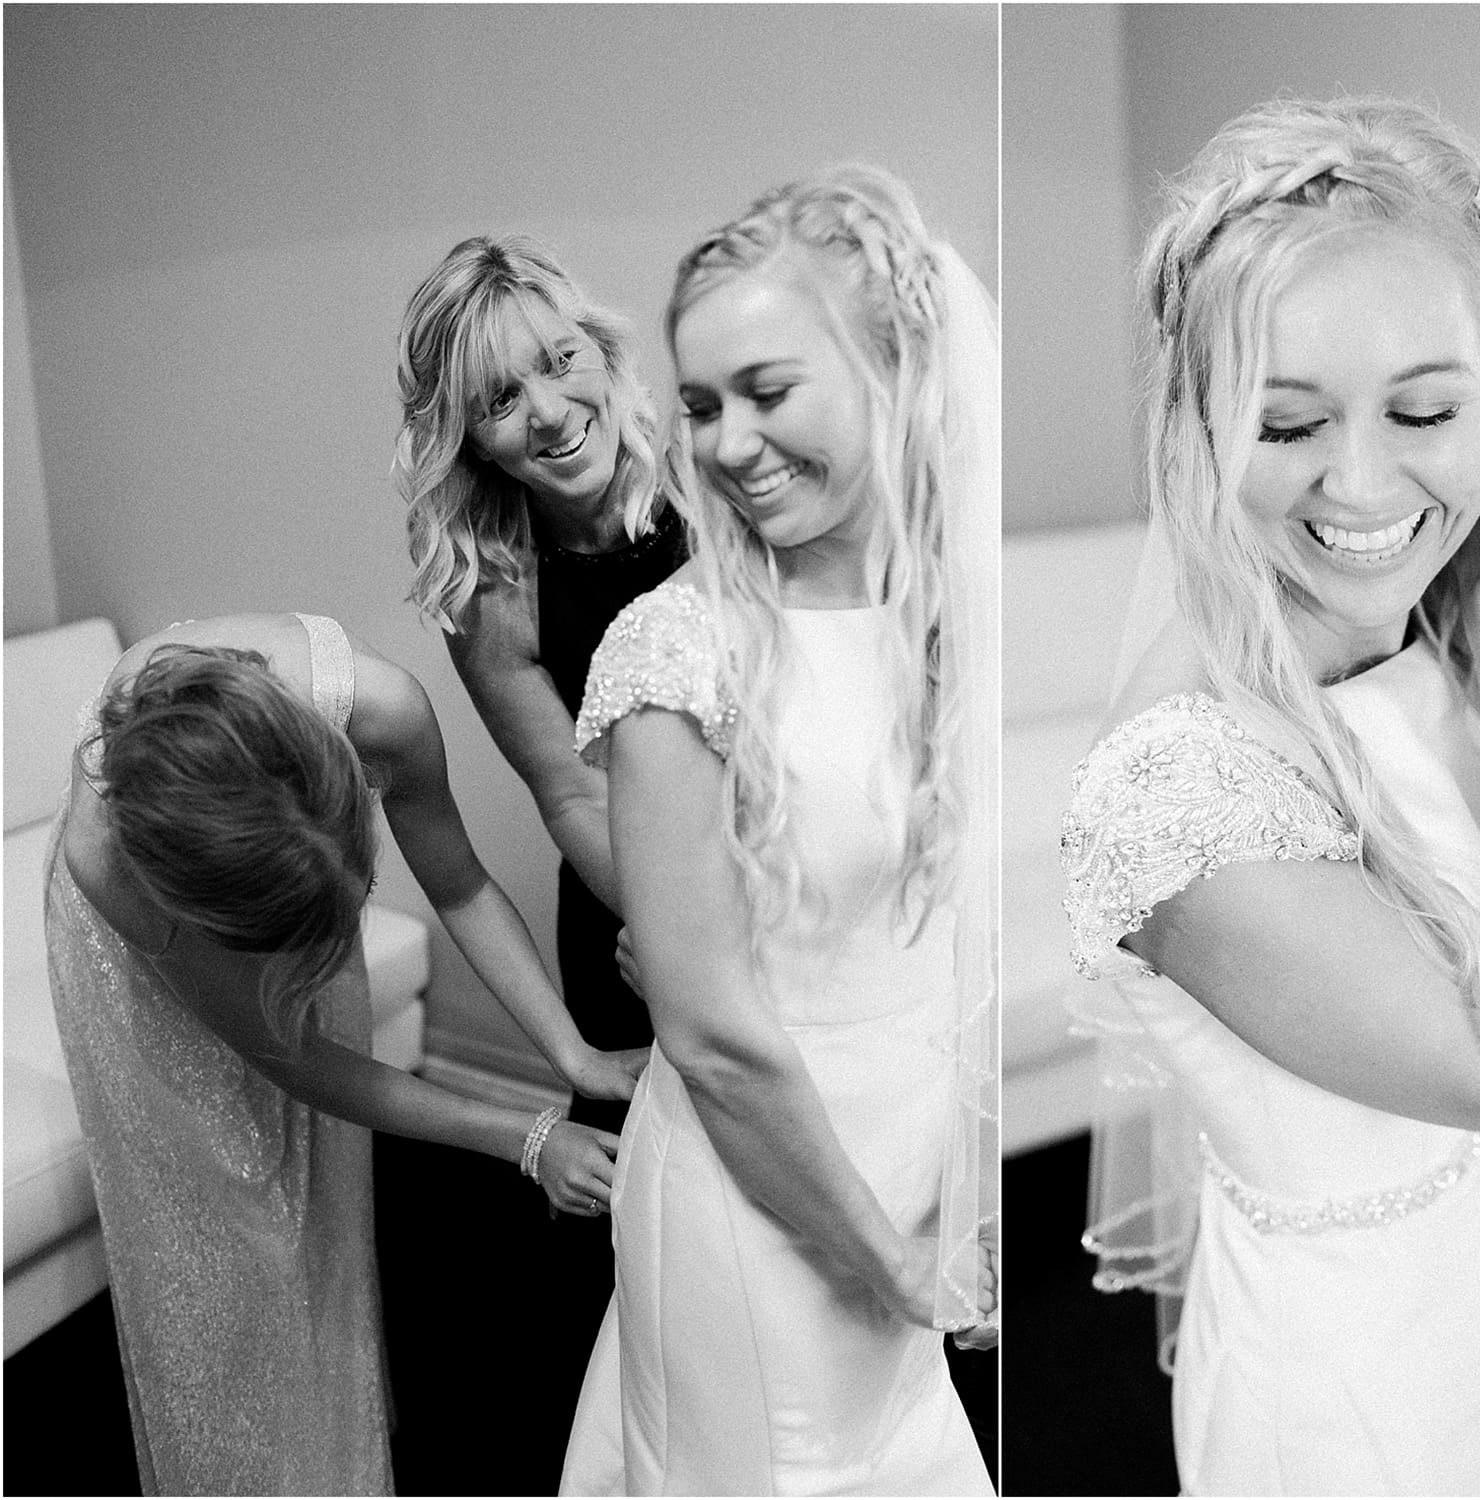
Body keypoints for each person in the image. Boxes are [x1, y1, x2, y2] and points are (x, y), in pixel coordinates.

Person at [1061, 97, 1480, 1496]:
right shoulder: (1182, 783)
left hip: (1477, 1274)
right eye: (1286, 422)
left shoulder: (1439, 621)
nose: (1360, 482)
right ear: (1199, 432)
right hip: (1341, 1372)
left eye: (1424, 409)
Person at [559, 163, 999, 1496]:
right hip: (764, 1215)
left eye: (767, 390)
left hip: (909, 1159)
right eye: (700, 405)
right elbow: (712, 1034)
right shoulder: (673, 654)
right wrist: (888, 1260)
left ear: (894, 369)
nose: (729, 442)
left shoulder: (945, 621)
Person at [44, 611, 642, 1495]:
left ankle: (336, 1450)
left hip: (274, 888)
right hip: (145, 954)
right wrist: (527, 1137)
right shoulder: (118, 866)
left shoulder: (382, 707)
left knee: (324, 1204)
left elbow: (459, 881)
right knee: (225, 1240)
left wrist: (576, 1053)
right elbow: (293, 1057)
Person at [394, 237, 689, 1448]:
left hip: (796, 865)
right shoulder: (490, 586)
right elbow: (568, 797)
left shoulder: (705, 476)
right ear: (466, 438)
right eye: (498, 402)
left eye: (556, 365)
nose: (547, 414)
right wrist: (681, 934)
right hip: (629, 906)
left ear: (599, 351)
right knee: (656, 1224)